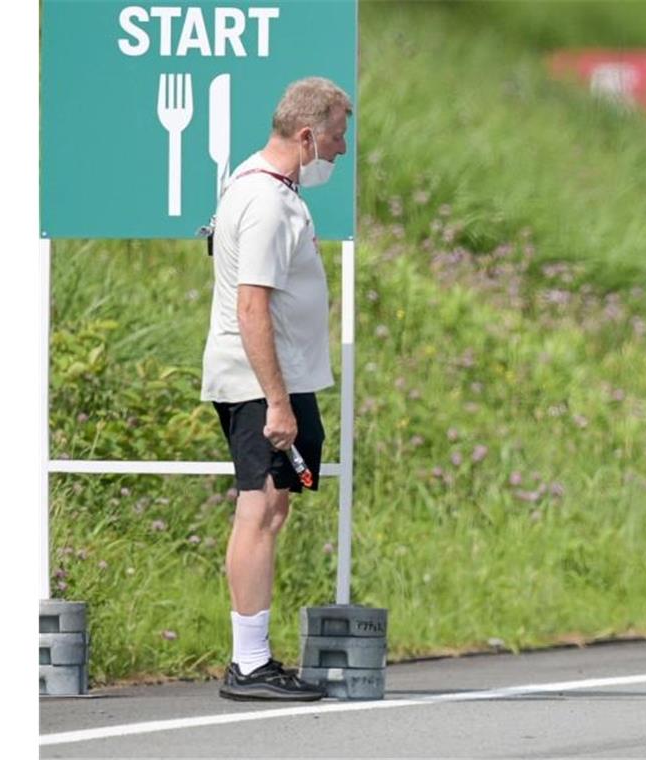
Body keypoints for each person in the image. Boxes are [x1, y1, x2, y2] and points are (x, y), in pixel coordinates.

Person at [201, 77, 352, 700]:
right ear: (308, 134)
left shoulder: (264, 185)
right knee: (258, 508)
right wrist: (279, 403)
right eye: (339, 136)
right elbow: (251, 306)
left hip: (282, 378)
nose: (342, 151)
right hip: (262, 382)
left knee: (278, 504)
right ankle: (249, 664)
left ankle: (256, 657)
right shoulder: (264, 199)